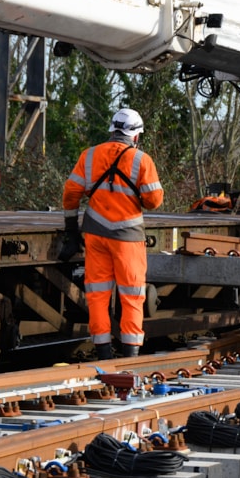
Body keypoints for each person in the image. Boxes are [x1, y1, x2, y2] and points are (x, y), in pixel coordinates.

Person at [61, 108, 163, 359]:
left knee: (97, 294)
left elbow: (70, 193)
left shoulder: (89, 155)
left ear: (112, 131)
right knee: (132, 295)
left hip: (95, 234)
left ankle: (103, 352)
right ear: (136, 136)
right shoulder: (142, 160)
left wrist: (71, 232)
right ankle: (130, 356)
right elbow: (154, 201)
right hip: (128, 237)